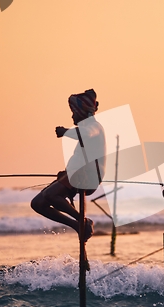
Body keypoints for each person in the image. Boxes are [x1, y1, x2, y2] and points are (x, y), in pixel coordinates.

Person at [31, 89, 106, 242]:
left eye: (74, 112)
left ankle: (83, 221)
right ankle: (77, 224)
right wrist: (67, 172)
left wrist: (65, 132)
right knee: (38, 203)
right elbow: (79, 156)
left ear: (81, 112)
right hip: (77, 172)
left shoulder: (94, 126)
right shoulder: (86, 127)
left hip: (89, 175)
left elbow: (86, 133)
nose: (72, 116)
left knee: (52, 195)